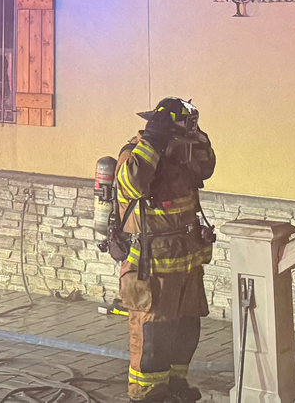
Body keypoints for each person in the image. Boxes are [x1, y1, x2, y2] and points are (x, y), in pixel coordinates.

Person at [114, 97, 216, 403]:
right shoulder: (136, 153)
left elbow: (207, 167)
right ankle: (147, 394)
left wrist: (198, 138)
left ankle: (175, 387)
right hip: (152, 267)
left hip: (186, 265)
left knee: (185, 332)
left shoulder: (181, 155)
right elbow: (131, 184)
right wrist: (153, 141)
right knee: (154, 337)